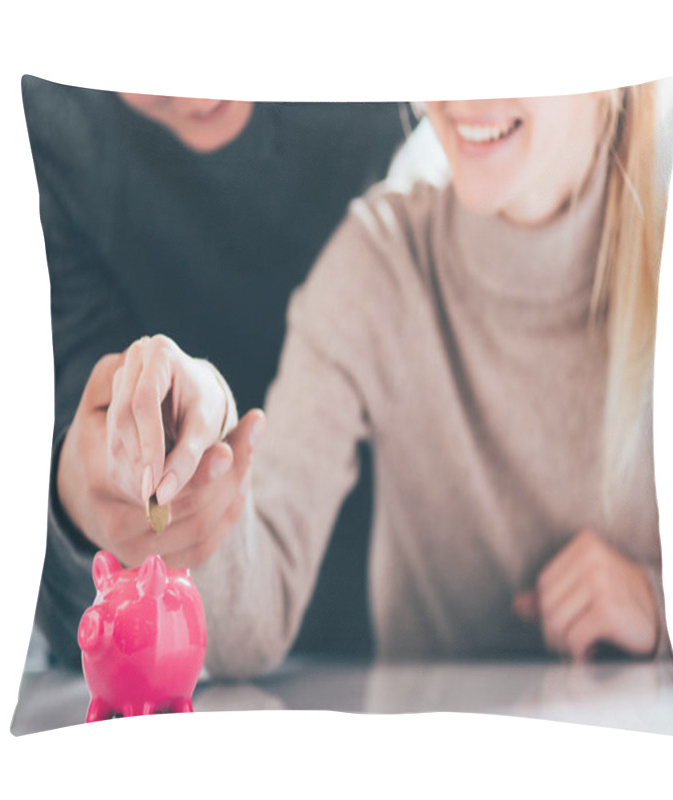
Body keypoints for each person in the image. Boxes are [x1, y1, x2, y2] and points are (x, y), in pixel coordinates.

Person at [60, 78, 673, 677]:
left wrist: (663, 608)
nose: (462, 91)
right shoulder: (382, 261)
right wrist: (203, 450)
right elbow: (254, 616)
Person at [22, 75, 414, 667]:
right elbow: (47, 577)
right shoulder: (41, 123)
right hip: (197, 641)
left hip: (416, 623)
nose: (192, 94)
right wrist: (79, 508)